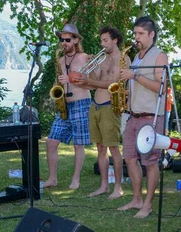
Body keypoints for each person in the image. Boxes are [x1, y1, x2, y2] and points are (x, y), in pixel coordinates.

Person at [117, 16, 168, 218]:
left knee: (150, 162)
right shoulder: (136, 56)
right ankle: (136, 199)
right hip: (133, 116)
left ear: (151, 35)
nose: (136, 37)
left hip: (151, 117)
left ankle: (147, 204)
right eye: (135, 33)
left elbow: (162, 87)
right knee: (129, 158)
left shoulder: (159, 56)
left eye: (140, 34)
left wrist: (135, 76)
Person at [74, 26, 129, 199]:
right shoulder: (102, 59)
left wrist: (90, 80)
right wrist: (84, 77)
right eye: (101, 41)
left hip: (109, 106)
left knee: (113, 147)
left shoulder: (124, 59)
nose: (102, 44)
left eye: (105, 40)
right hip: (95, 104)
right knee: (100, 148)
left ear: (115, 40)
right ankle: (104, 186)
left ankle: (118, 187)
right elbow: (95, 82)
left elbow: (113, 84)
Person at [45, 24, 92, 190]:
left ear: (76, 40)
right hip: (64, 105)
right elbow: (58, 82)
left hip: (81, 103)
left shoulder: (85, 58)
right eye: (61, 39)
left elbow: (92, 84)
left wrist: (71, 79)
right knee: (51, 142)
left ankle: (76, 179)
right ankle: (52, 179)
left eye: (67, 39)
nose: (63, 43)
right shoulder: (60, 60)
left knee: (78, 144)